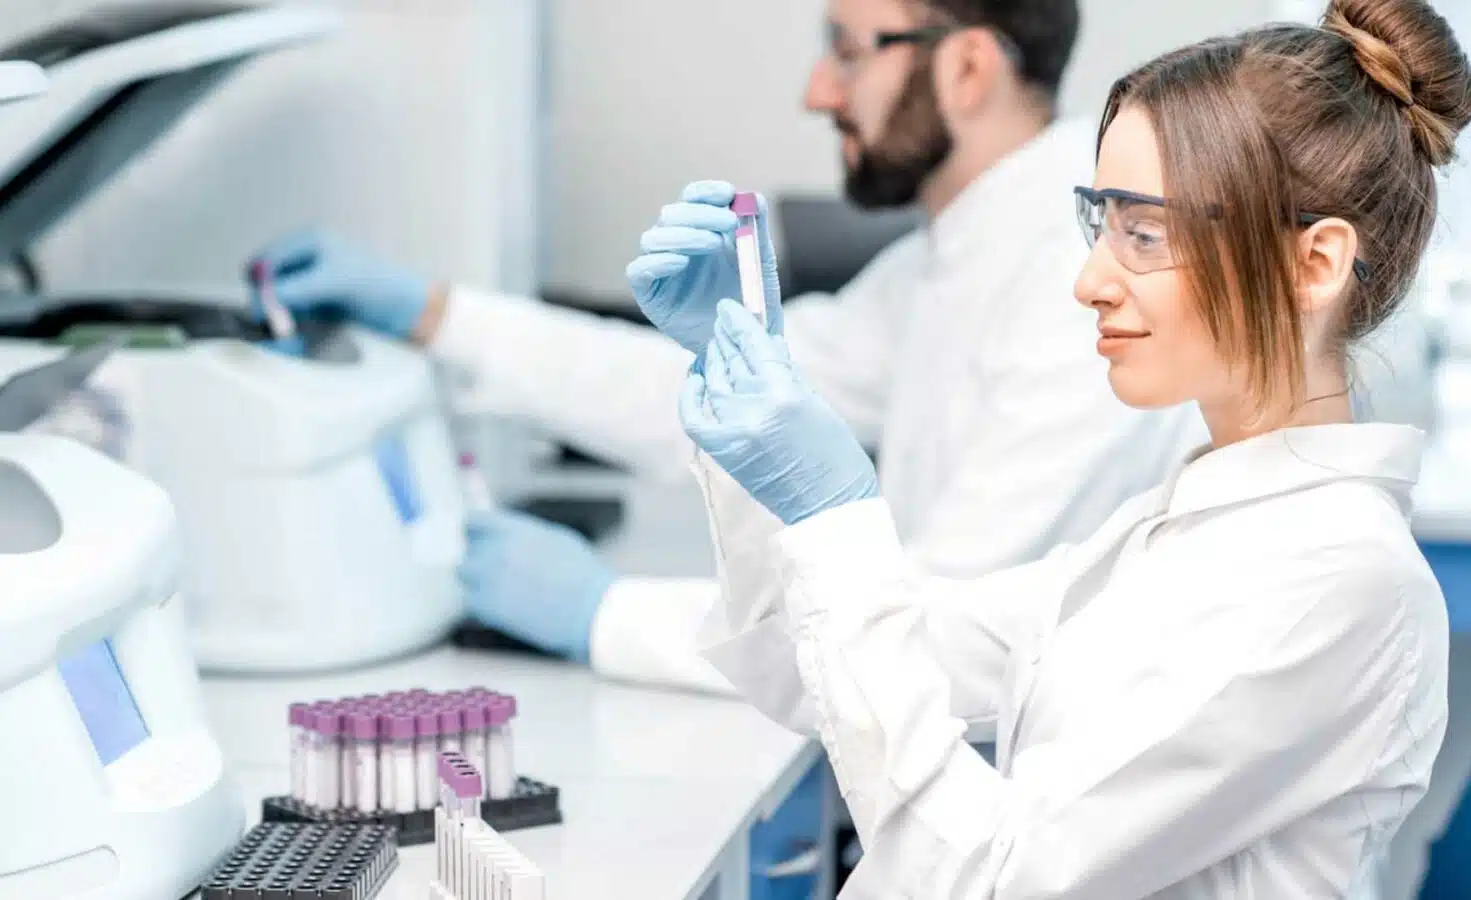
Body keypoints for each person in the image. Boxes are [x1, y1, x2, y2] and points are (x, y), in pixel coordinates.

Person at [671, 0, 1471, 894]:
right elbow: (805, 673)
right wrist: (753, 446)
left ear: (1314, 265)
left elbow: (983, 878)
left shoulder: (1339, 587)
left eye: (1145, 234)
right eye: (1103, 225)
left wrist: (838, 519)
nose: (1091, 280)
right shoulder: (1173, 531)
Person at [245, 0, 1199, 694]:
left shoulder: (1076, 284)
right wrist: (432, 314)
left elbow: (937, 637)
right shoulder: (953, 258)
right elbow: (707, 394)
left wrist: (603, 616)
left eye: (847, 50)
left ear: (968, 69)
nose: (818, 91)